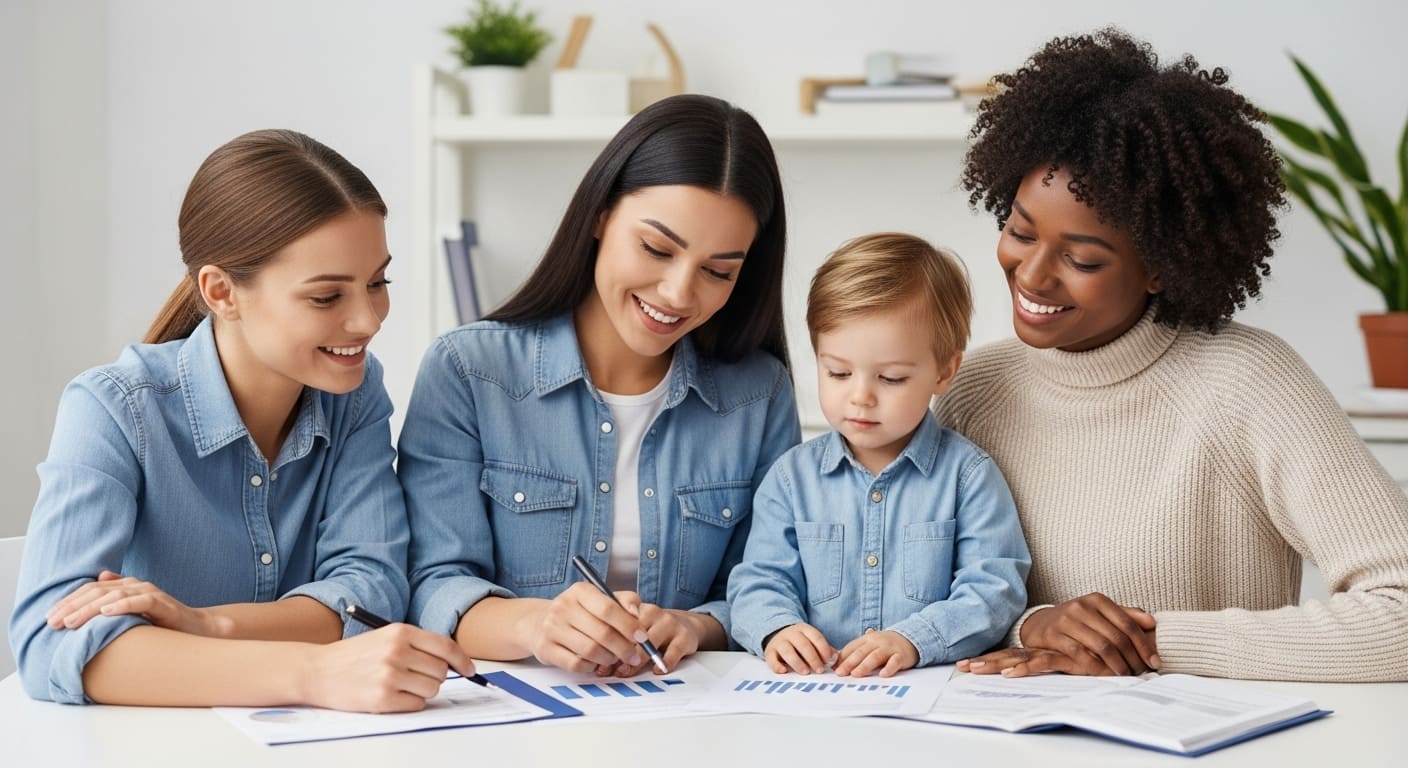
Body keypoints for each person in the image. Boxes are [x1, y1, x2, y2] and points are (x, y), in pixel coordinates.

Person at [937, 28, 1408, 682]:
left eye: (1082, 259)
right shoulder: (974, 390)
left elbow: (1401, 611)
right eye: (1019, 231)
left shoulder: (1252, 384)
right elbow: (924, 597)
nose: (1033, 275)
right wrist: (1032, 625)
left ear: (1160, 266)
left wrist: (1148, 643)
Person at [9, 129, 474, 709]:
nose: (367, 320)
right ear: (222, 291)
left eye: (378, 282)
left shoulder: (354, 394)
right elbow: (53, 647)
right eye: (327, 298)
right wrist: (313, 671)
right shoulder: (113, 408)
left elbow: (369, 591)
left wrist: (207, 626)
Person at [401, 94, 801, 676]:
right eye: (656, 248)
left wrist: (695, 625)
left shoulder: (758, 395)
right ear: (598, 215)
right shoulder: (469, 370)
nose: (678, 294)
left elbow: (766, 583)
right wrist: (534, 625)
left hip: (697, 716)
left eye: (719, 272)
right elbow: (432, 585)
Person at [729, 233, 1030, 678]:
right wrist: (778, 629)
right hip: (813, 696)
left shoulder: (968, 477)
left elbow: (993, 589)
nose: (860, 397)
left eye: (890, 378)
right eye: (838, 372)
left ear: (944, 371)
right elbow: (759, 580)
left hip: (927, 695)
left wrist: (914, 639)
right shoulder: (791, 479)